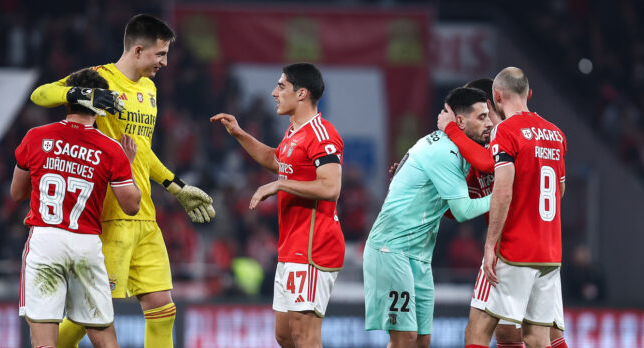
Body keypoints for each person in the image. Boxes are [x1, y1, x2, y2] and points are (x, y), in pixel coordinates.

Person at [29, 14, 215, 348]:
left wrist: (176, 186)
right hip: (110, 214)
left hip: (144, 214)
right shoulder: (102, 79)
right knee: (91, 315)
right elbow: (40, 95)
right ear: (139, 49)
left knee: (163, 307)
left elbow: (142, 151)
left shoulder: (149, 89)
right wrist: (81, 93)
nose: (165, 62)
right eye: (160, 54)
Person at [211, 62, 344, 348]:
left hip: (313, 246)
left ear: (302, 94)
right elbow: (276, 160)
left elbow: (331, 187)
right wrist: (239, 134)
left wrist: (280, 184)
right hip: (290, 246)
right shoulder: (294, 133)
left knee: (304, 335)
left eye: (281, 86)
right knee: (284, 335)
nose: (274, 93)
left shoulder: (322, 134)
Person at [11, 68, 141, 348]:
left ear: (67, 100)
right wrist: (126, 165)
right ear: (100, 106)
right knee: (105, 340)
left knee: (44, 341)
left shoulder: (35, 136)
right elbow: (131, 206)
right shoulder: (111, 149)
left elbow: (16, 193)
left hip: (45, 240)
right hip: (86, 245)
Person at [439, 78, 569, 348]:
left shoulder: (504, 138)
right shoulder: (543, 135)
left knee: (478, 332)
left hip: (510, 248)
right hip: (547, 251)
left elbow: (492, 171)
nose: (480, 122)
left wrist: (451, 129)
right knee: (527, 335)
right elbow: (463, 204)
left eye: (480, 114)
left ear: (491, 104)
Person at [363, 87, 493, 348]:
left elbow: (446, 208)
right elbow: (462, 210)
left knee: (422, 340)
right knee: (405, 338)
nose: (489, 122)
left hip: (419, 256)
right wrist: (504, 195)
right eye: (481, 117)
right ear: (459, 122)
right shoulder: (444, 152)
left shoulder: (455, 147)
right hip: (392, 249)